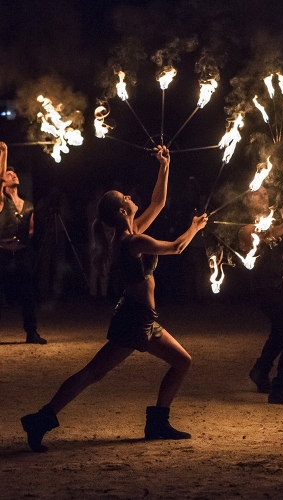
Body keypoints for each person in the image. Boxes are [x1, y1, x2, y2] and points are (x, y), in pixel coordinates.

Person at [20, 146, 208, 452]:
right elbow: (175, 248)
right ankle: (41, 419)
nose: (132, 199)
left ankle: (157, 421)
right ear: (122, 211)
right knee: (93, 372)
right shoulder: (133, 241)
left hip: (142, 319)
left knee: (181, 361)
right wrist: (194, 228)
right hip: (134, 319)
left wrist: (164, 165)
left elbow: (158, 202)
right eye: (127, 199)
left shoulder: (131, 232)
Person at [239, 157, 283, 405]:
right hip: (266, 288)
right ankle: (281, 388)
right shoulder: (246, 229)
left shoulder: (282, 218)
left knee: (281, 332)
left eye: (266, 191)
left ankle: (260, 371)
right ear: (248, 200)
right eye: (258, 193)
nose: (264, 195)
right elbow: (261, 235)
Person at [0, 142, 46, 344]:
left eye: (14, 173)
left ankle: (32, 332)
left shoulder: (28, 205)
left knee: (28, 294)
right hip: (2, 254)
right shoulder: (2, 201)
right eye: (9, 175)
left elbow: (31, 230)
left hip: (22, 255)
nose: (13, 175)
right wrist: (3, 153)